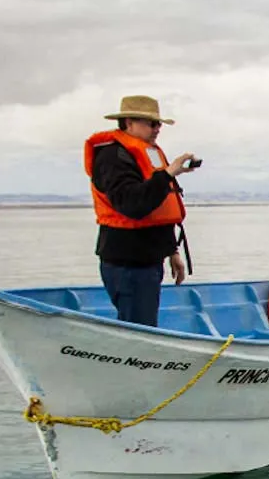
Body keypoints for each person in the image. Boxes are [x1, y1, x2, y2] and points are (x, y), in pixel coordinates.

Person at [84, 95, 201, 326]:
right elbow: (132, 205)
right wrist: (167, 175)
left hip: (147, 259)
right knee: (139, 329)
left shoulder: (147, 152)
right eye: (151, 123)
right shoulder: (112, 157)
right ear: (129, 122)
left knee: (144, 324)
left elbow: (156, 209)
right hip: (127, 262)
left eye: (159, 124)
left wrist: (171, 250)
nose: (157, 129)